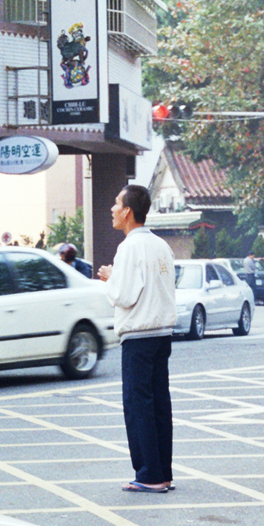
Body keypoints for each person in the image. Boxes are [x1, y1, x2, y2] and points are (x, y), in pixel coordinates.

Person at [97, 186, 177, 493]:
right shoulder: (161, 245)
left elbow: (124, 295)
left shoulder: (129, 247)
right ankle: (163, 472)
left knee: (138, 405)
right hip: (162, 333)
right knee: (159, 404)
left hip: (138, 335)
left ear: (128, 211)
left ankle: (149, 475)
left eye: (117, 203)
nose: (112, 209)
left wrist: (110, 278)